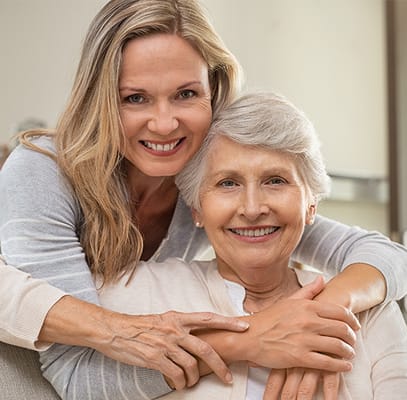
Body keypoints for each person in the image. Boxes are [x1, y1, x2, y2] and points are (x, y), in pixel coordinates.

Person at [0, 0, 406, 398]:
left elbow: (382, 255)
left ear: (214, 88)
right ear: (101, 98)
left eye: (186, 94)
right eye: (135, 98)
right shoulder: (44, 170)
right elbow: (76, 375)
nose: (164, 123)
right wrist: (250, 339)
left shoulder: (203, 177)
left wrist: (313, 318)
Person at [96, 92, 407, 399]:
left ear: (312, 204)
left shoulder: (370, 312)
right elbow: (85, 384)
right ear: (197, 210)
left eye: (275, 181)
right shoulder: (136, 292)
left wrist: (322, 318)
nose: (252, 208)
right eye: (228, 183)